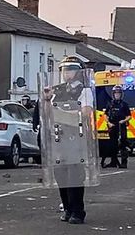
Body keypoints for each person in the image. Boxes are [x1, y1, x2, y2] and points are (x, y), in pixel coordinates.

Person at [38, 56, 95, 225]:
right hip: (59, 137)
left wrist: (61, 115)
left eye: (70, 70)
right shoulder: (58, 91)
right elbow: (48, 114)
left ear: (78, 72)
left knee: (75, 176)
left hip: (76, 136)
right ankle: (68, 208)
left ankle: (78, 211)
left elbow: (85, 113)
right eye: (64, 70)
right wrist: (47, 100)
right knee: (61, 175)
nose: (66, 74)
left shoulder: (84, 91)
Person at [103, 85, 132, 168]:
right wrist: (108, 122)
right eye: (116, 93)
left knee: (123, 144)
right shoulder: (110, 104)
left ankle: (124, 162)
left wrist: (124, 121)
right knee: (113, 145)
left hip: (121, 126)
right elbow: (105, 114)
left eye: (119, 93)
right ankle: (113, 162)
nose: (117, 95)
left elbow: (129, 116)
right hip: (113, 126)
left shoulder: (124, 105)